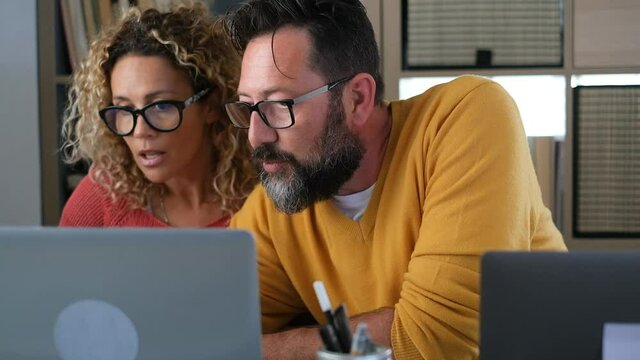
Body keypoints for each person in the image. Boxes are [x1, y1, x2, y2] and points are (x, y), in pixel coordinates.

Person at [223, 0, 567, 359]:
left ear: (356, 98)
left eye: (279, 105)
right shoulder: (284, 196)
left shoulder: (466, 117)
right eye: (248, 108)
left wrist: (266, 350)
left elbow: (435, 342)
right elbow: (203, 329)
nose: (255, 136)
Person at [59, 3, 255, 227]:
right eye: (125, 109)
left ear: (211, 105)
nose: (140, 131)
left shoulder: (264, 200)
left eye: (161, 106)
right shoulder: (103, 197)